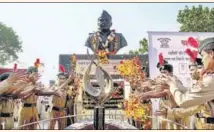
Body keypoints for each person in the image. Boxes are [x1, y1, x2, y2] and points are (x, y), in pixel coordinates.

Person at [160, 37, 214, 129]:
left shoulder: (210, 79)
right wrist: (174, 83)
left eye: (203, 55)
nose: (202, 60)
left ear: (211, 54)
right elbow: (191, 92)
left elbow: (184, 101)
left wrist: (172, 85)